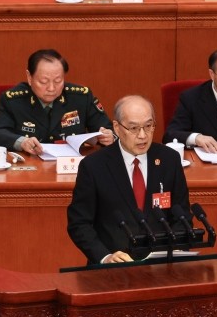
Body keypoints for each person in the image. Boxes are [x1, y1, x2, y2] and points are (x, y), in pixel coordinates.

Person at [67, 95, 190, 264]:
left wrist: (176, 250)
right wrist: (105, 257)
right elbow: (79, 223)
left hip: (161, 266)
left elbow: (182, 215)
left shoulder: (169, 160)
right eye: (134, 128)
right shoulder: (94, 166)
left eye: (148, 126)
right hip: (113, 268)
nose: (143, 135)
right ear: (117, 128)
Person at [0, 49, 115, 153]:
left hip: (71, 166)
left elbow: (109, 129)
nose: (51, 88)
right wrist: (22, 142)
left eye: (58, 81)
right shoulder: (13, 100)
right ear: (29, 77)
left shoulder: (81, 97)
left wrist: (110, 136)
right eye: (43, 82)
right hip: (29, 166)